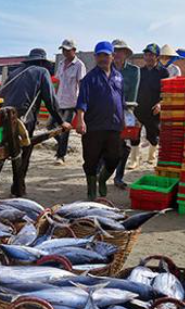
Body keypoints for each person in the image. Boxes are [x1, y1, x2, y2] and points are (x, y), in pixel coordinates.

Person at [0, 48, 71, 196]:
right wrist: (61, 122)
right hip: (23, 120)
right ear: (42, 62)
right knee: (23, 153)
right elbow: (50, 100)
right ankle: (17, 190)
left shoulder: (15, 72)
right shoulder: (42, 72)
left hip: (4, 116)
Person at [75, 41, 125, 200]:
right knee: (91, 160)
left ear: (112, 56)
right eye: (99, 55)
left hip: (114, 125)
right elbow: (82, 101)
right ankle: (91, 190)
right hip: (94, 126)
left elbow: (121, 100)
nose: (103, 58)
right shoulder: (89, 78)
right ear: (95, 57)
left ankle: (102, 179)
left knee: (115, 157)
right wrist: (80, 120)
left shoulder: (119, 76)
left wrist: (124, 119)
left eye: (106, 55)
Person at [129, 43, 169, 169]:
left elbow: (166, 92)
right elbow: (133, 90)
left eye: (151, 55)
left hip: (154, 110)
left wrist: (160, 104)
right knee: (134, 135)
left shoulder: (163, 72)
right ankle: (134, 160)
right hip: (139, 109)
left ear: (157, 57)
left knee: (153, 135)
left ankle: (151, 157)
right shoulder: (139, 72)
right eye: (146, 54)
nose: (148, 57)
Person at [110, 39, 140, 189]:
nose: (117, 54)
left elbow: (132, 96)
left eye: (120, 51)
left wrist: (127, 114)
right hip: (106, 111)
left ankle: (119, 177)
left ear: (126, 54)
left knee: (124, 146)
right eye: (114, 51)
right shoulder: (104, 68)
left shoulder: (134, 71)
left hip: (125, 110)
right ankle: (100, 171)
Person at [52, 39, 86, 166]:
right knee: (50, 126)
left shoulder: (79, 65)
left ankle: (61, 155)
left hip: (72, 102)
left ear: (74, 50)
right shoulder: (61, 63)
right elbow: (57, 82)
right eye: (63, 50)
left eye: (67, 50)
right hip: (59, 101)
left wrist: (82, 103)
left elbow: (81, 84)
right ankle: (61, 144)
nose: (65, 52)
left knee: (64, 128)